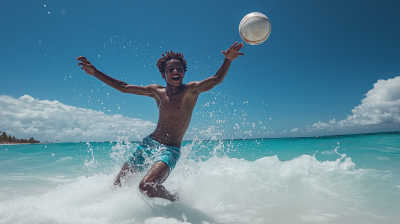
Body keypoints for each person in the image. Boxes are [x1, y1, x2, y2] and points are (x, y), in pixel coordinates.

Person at [77, 41, 244, 202]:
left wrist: (227, 60)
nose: (175, 72)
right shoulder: (156, 91)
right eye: (170, 69)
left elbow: (216, 79)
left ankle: (175, 199)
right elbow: (123, 87)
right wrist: (95, 72)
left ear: (184, 72)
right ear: (164, 74)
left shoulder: (190, 91)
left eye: (179, 69)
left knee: (146, 187)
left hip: (170, 150)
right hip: (148, 144)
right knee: (117, 186)